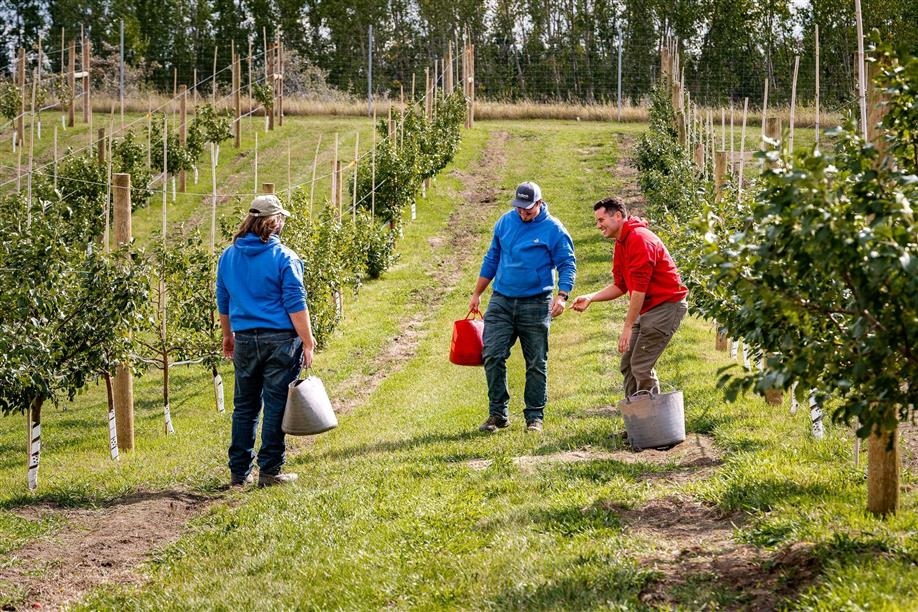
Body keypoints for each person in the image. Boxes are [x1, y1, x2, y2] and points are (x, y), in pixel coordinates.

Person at [216, 194, 316, 488]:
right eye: (281, 219)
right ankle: (270, 471)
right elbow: (295, 303)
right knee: (275, 405)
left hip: (245, 339)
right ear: (274, 222)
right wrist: (307, 341)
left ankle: (239, 472)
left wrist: (227, 335)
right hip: (280, 341)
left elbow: (223, 299)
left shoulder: (228, 256)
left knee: (245, 406)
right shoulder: (284, 257)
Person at [469, 181, 576, 434]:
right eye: (519, 208)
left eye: (528, 209)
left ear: (539, 203)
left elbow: (567, 264)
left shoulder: (554, 229)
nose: (523, 213)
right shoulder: (505, 222)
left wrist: (562, 296)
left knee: (536, 361)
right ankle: (498, 413)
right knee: (492, 354)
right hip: (502, 300)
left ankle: (534, 417)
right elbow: (492, 258)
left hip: (536, 303)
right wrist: (477, 293)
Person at [571, 197, 687, 399]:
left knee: (641, 366)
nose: (598, 226)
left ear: (617, 216)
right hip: (650, 307)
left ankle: (652, 425)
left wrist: (627, 327)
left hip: (666, 306)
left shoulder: (640, 240)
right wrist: (591, 297)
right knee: (628, 364)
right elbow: (621, 285)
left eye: (601, 220)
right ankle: (636, 424)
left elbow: (639, 291)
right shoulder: (622, 242)